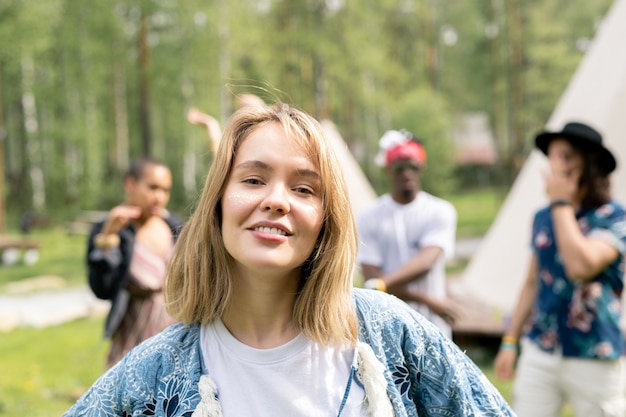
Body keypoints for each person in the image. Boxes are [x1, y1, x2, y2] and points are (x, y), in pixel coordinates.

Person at [64, 103, 514, 416]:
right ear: (219, 202)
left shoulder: (389, 335)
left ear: (325, 219)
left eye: (303, 188)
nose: (277, 200)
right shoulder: (158, 370)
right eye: (254, 179)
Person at [494, 121, 626, 417]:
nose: (555, 166)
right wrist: (511, 340)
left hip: (594, 352)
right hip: (541, 348)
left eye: (565, 156)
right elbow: (531, 283)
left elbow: (581, 266)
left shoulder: (614, 217)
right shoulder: (542, 216)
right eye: (552, 157)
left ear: (588, 166)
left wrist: (562, 202)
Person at [357, 129, 461, 338]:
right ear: (388, 169)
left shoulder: (440, 210)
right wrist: (427, 299)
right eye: (399, 167)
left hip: (432, 326)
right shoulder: (369, 216)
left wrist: (382, 284)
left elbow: (424, 263)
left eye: (413, 166)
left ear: (421, 168)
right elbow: (371, 279)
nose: (407, 173)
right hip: (387, 324)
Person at [86, 157, 184, 368]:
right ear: (130, 184)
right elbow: (101, 289)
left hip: (173, 326)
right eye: (153, 188)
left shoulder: (174, 225)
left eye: (165, 190)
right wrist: (107, 240)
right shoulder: (112, 228)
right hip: (132, 328)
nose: (159, 197)